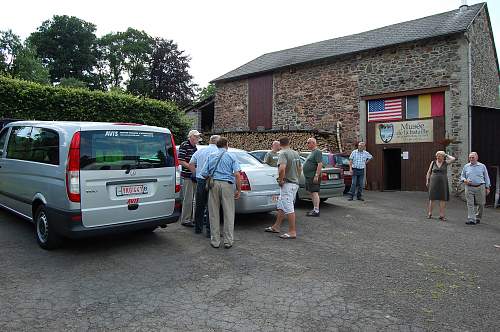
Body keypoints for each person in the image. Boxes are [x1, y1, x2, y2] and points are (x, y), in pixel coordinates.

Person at [200, 137, 241, 249]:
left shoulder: (211, 156)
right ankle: (228, 241)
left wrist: (212, 177)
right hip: (227, 185)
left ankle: (215, 241)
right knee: (228, 213)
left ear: (217, 145)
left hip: (214, 185)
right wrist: (238, 189)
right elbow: (237, 174)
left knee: (213, 213)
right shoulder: (232, 156)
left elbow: (203, 173)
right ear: (226, 145)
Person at [264, 137, 302, 239]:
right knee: (281, 205)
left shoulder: (282, 153)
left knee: (289, 207)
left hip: (287, 184)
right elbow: (300, 168)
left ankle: (292, 231)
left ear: (280, 144)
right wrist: (296, 178)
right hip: (294, 183)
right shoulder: (295, 153)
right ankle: (276, 226)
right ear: (289, 142)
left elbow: (282, 168)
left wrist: (280, 180)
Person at [189, 135, 221, 237]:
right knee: (212, 206)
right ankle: (209, 231)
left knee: (200, 204)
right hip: (213, 180)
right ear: (217, 142)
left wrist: (195, 174)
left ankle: (198, 228)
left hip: (200, 179)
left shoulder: (200, 151)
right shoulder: (219, 152)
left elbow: (191, 163)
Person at [178, 130, 202, 227]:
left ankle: (194, 218)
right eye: (196, 136)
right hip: (188, 176)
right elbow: (181, 161)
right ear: (191, 136)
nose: (197, 138)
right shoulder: (185, 145)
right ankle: (185, 219)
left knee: (196, 199)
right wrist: (192, 169)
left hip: (194, 175)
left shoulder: (194, 147)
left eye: (198, 137)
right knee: (188, 198)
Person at [460, 152, 491, 225]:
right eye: (470, 157)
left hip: (480, 187)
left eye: (472, 157)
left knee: (481, 204)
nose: (471, 159)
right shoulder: (466, 166)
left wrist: (487, 187)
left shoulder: (482, 166)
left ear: (477, 158)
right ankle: (471, 219)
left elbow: (486, 177)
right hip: (469, 187)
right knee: (470, 203)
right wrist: (465, 180)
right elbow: (462, 176)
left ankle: (478, 217)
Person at [425, 151, 456, 220]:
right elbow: (429, 172)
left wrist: (446, 155)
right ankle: (430, 213)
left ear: (443, 157)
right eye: (437, 156)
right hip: (433, 182)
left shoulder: (445, 162)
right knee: (432, 198)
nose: (438, 157)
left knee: (442, 198)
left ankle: (441, 215)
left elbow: (453, 159)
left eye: (440, 156)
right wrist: (427, 180)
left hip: (443, 183)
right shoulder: (433, 162)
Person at [302, 137, 323, 217]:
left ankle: (316, 210)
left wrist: (316, 176)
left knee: (314, 192)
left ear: (313, 143)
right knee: (312, 193)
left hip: (313, 176)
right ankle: (314, 209)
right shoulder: (312, 152)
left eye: (308, 142)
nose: (307, 144)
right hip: (309, 176)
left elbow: (320, 164)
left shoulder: (317, 152)